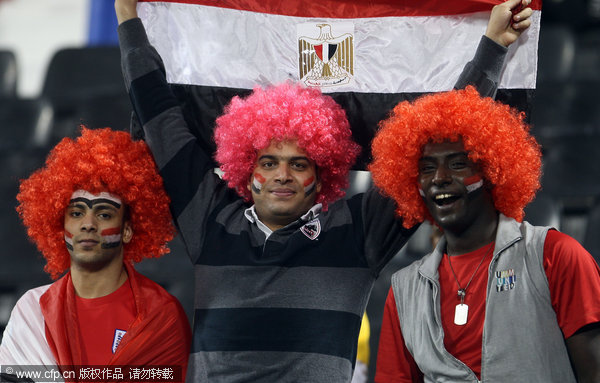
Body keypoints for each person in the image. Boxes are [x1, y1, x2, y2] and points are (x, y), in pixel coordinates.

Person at [114, 0, 533, 381]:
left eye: (300, 164)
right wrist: (129, 20)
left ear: (324, 173)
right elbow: (160, 120)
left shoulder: (358, 232)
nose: (283, 175)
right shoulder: (209, 218)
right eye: (268, 162)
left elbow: (439, 137)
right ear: (246, 168)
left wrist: (493, 46)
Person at [370, 87, 600, 382]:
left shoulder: (555, 255)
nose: (439, 178)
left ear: (493, 170)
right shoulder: (403, 290)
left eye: (458, 164)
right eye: (426, 168)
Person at [0, 128, 191, 382]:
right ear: (61, 226)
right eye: (76, 213)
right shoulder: (31, 309)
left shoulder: (161, 314)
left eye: (103, 214)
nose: (87, 224)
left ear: (126, 231)